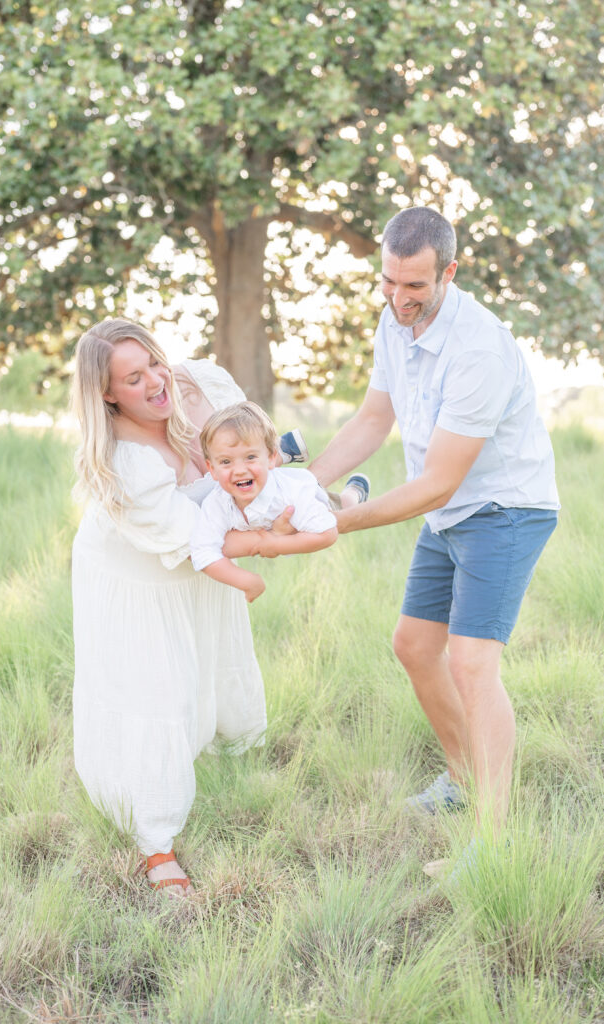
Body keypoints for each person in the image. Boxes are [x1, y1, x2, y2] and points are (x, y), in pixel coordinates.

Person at [308, 206, 559, 867]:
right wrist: (305, 487)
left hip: (503, 510)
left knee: (473, 665)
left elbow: (439, 482)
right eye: (388, 282)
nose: (398, 298)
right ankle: (461, 778)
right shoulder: (394, 321)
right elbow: (373, 418)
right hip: (448, 513)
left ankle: (492, 843)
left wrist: (338, 522)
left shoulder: (477, 347)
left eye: (414, 286)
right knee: (415, 647)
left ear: (448, 272)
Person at [71, 318, 297, 897]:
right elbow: (201, 535)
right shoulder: (125, 464)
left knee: (207, 664)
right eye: (133, 377)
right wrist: (277, 538)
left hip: (194, 565)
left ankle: (219, 760)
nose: (155, 381)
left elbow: (249, 457)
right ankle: (156, 846)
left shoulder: (199, 389)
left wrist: (292, 499)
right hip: (141, 580)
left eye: (154, 362)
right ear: (106, 392)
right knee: (158, 692)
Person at [191, 401, 342, 602]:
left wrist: (278, 544)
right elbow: (202, 550)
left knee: (338, 506)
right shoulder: (216, 502)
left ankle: (352, 494)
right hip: (271, 509)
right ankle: (285, 448)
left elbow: (327, 534)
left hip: (311, 493)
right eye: (226, 462)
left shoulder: (292, 495)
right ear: (211, 469)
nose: (239, 470)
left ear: (272, 458)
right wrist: (246, 581)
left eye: (250, 457)